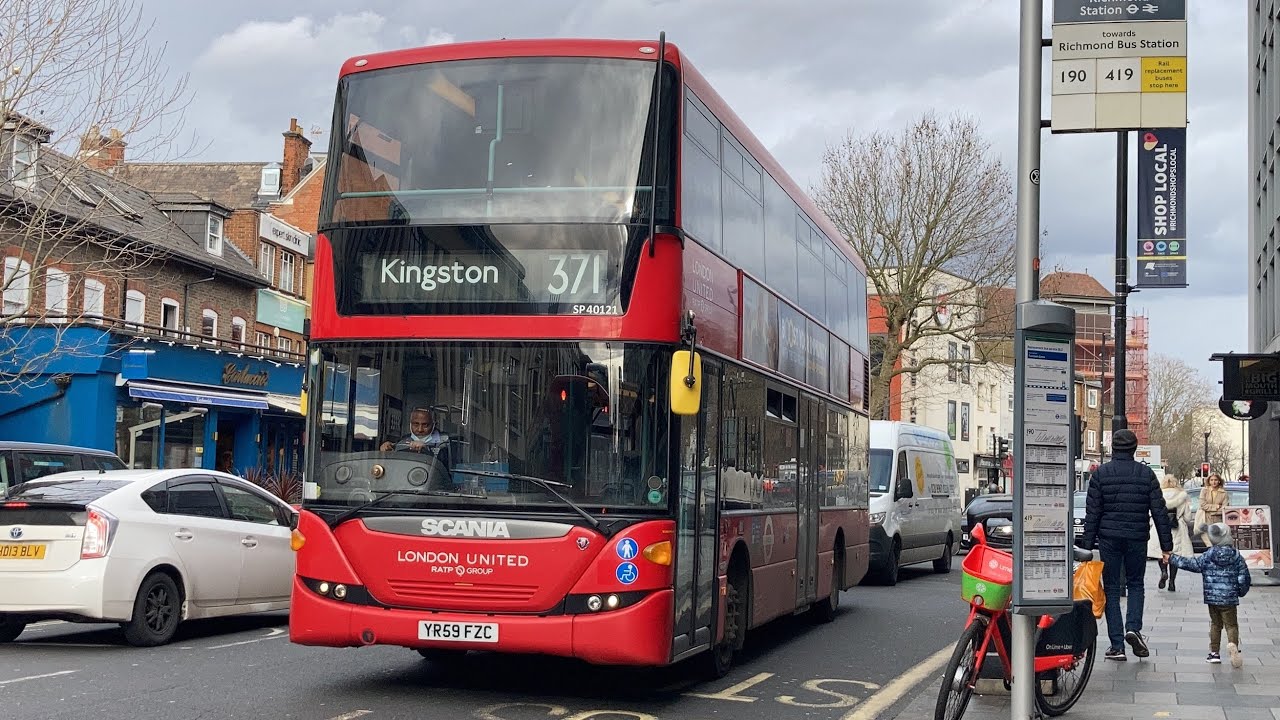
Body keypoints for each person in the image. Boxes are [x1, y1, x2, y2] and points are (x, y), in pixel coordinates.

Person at [1078, 427, 1173, 662]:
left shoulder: (1101, 474)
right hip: (1137, 538)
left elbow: (1093, 513)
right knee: (1136, 584)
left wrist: (1087, 547)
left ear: (1113, 449)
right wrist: (1166, 546)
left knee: (1111, 588)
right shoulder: (1146, 474)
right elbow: (1159, 511)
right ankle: (1133, 628)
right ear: (1133, 449)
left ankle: (1117, 645)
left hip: (1109, 538)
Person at [1170, 522, 1252, 667]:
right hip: (1229, 598)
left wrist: (1172, 558)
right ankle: (1233, 646)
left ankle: (1214, 653)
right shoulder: (1236, 556)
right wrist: (1241, 591)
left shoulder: (1208, 555)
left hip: (1212, 598)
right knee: (1231, 625)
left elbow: (1192, 564)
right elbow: (1243, 577)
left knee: (1215, 624)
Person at [1148, 475, 1193, 592]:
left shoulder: (1158, 495)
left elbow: (1151, 513)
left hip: (1160, 527)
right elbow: (1188, 517)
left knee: (1160, 552)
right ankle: (1172, 581)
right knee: (1175, 555)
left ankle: (1163, 571)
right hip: (1177, 527)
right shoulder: (1182, 496)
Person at [380, 408, 451, 468]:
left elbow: (445, 469)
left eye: (425, 425)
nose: (420, 429)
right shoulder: (402, 441)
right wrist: (387, 452)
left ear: (434, 424)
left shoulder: (446, 441)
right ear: (410, 424)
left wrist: (426, 451)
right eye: (416, 424)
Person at [1195, 473, 1231, 546]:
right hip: (1205, 519)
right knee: (1208, 543)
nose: (1213, 482)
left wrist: (1211, 511)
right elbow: (1203, 505)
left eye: (1215, 480)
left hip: (1218, 520)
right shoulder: (1204, 491)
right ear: (1209, 481)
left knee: (1217, 541)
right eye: (1211, 480)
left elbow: (1224, 508)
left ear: (1219, 481)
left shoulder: (1224, 493)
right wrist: (1216, 507)